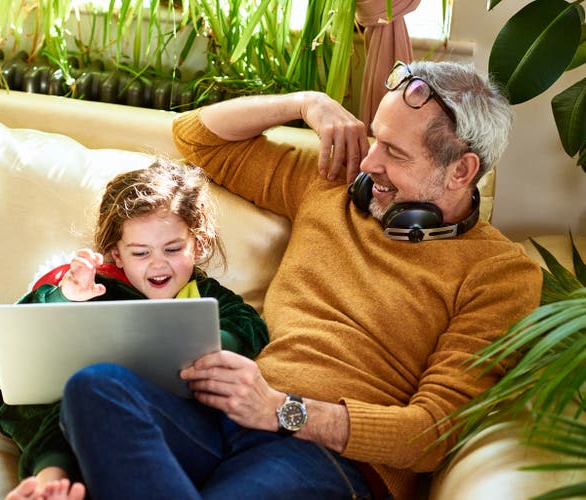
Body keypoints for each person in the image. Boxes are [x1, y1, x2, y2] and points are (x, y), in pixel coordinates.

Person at [55, 60, 543, 499]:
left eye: (394, 152)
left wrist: (283, 411)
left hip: (321, 452)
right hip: (220, 415)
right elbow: (196, 136)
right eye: (375, 139)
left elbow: (433, 432)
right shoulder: (330, 183)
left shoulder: (500, 273)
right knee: (94, 387)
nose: (370, 164)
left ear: (461, 170)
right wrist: (305, 103)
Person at [0, 159, 268, 500]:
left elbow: (249, 325)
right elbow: (26, 330)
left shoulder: (208, 296)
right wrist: (68, 297)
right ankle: (50, 480)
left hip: (181, 425)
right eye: (141, 253)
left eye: (173, 249)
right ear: (117, 254)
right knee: (60, 394)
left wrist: (211, 346)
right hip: (82, 420)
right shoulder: (97, 288)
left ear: (198, 244)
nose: (159, 264)